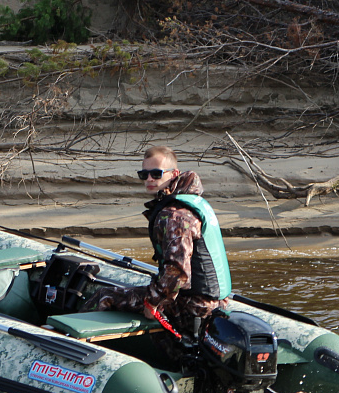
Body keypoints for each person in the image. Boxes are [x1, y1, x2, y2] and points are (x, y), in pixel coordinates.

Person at [83, 145, 232, 348]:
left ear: (174, 174)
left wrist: (153, 302)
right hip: (215, 302)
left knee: (104, 296)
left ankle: (72, 348)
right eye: (144, 175)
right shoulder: (195, 202)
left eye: (156, 174)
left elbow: (177, 272)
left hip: (192, 306)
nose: (149, 179)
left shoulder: (175, 215)